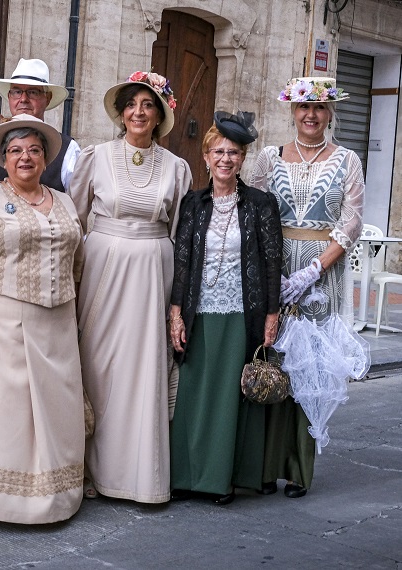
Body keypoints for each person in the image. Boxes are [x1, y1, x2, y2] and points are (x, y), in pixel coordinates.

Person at [0, 115, 85, 523]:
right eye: (15, 151)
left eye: (34, 150)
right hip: (3, 317)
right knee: (6, 409)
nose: (25, 157)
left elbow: (76, 258)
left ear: (45, 158)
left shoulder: (62, 200)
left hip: (58, 320)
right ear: (4, 160)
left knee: (54, 408)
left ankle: (56, 495)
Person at [70, 70, 192, 503]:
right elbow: (75, 216)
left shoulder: (178, 168)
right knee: (96, 364)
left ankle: (136, 476)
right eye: (132, 104)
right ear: (121, 113)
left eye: (148, 105)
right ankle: (84, 470)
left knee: (142, 369)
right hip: (102, 266)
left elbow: (178, 229)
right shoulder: (95, 157)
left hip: (152, 270)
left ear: (160, 115)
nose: (139, 112)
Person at [250, 77, 364, 498]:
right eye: (303, 108)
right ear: (292, 112)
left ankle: (298, 469)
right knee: (270, 364)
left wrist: (311, 270)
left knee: (309, 370)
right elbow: (256, 216)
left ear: (329, 113)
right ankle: (262, 468)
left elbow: (350, 223)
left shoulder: (348, 160)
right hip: (274, 272)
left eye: (319, 108)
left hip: (320, 276)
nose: (311, 115)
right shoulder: (269, 157)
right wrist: (273, 270)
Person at [168, 112, 283, 505]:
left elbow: (272, 263)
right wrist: (176, 313)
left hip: (241, 313)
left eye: (233, 152)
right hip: (200, 312)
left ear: (243, 158)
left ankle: (220, 480)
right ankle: (186, 475)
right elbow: (182, 262)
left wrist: (271, 315)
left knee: (230, 397)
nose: (225, 159)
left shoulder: (260, 205)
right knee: (194, 394)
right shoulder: (193, 204)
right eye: (218, 151)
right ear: (205, 157)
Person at [0, 58, 80, 192]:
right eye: (17, 91)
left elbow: (75, 206)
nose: (23, 99)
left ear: (48, 98)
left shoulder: (68, 149)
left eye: (33, 92)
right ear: (9, 97)